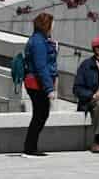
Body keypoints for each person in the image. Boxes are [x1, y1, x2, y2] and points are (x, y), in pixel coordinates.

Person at [20, 11, 58, 158]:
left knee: (40, 114)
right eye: (52, 23)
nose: (53, 26)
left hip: (37, 82)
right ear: (46, 24)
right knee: (40, 114)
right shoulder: (39, 42)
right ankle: (30, 147)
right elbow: (41, 66)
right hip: (37, 84)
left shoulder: (40, 39)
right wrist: (49, 89)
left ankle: (31, 146)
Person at [73, 35, 99, 155]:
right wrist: (93, 95)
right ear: (97, 49)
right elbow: (77, 88)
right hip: (93, 99)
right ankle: (97, 139)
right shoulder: (86, 65)